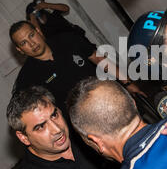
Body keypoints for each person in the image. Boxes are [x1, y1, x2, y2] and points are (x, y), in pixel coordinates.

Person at [9, 20, 139, 116]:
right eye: (24, 43)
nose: (32, 43)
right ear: (20, 50)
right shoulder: (27, 77)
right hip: (86, 123)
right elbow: (21, 111)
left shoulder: (68, 39)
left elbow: (99, 59)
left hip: (112, 97)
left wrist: (127, 82)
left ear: (38, 31)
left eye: (31, 35)